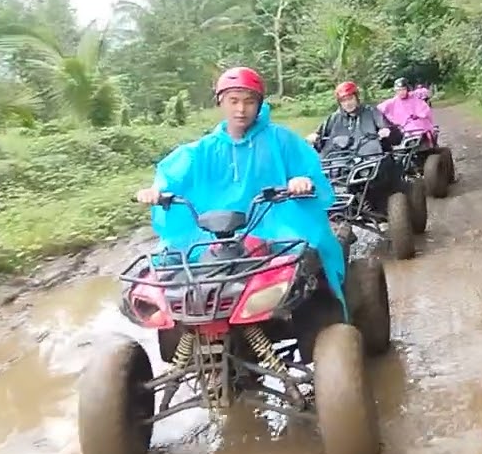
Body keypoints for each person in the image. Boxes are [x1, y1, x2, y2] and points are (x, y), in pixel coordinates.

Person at [135, 66, 348, 300]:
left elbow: (307, 169)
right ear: (220, 102)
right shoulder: (201, 150)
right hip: (212, 232)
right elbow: (172, 175)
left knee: (302, 259)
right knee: (167, 266)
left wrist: (300, 180)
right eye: (233, 100)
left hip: (273, 222)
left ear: (259, 105)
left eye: (249, 101)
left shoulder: (280, 139)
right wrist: (156, 191)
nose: (240, 109)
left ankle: (320, 310)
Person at [305, 80, 403, 151]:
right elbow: (320, 135)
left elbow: (393, 133)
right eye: (343, 100)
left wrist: (387, 132)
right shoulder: (334, 118)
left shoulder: (371, 112)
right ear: (339, 102)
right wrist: (314, 137)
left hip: (371, 160)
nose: (347, 103)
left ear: (356, 98)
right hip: (341, 162)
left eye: (350, 99)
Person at [378, 77, 437, 143]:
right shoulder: (392, 102)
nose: (401, 92)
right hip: (404, 127)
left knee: (426, 129)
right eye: (399, 90)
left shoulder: (414, 99)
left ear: (407, 89)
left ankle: (431, 144)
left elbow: (425, 110)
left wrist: (418, 115)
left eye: (403, 89)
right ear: (396, 91)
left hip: (419, 124)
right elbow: (379, 109)